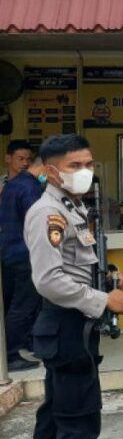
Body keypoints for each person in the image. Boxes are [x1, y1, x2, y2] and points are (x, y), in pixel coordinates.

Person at [24, 134, 123, 439]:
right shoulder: (48, 213)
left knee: (57, 416)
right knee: (79, 425)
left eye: (88, 164)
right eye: (75, 166)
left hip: (71, 327)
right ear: (51, 171)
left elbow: (75, 264)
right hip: (67, 326)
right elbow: (49, 280)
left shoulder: (73, 207)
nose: (85, 172)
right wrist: (105, 300)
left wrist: (109, 274)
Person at [2, 153, 45, 370]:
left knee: (15, 305)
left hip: (10, 252)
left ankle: (27, 342)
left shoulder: (13, 184)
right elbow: (36, 222)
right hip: (25, 254)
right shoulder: (31, 189)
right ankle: (10, 355)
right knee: (23, 306)